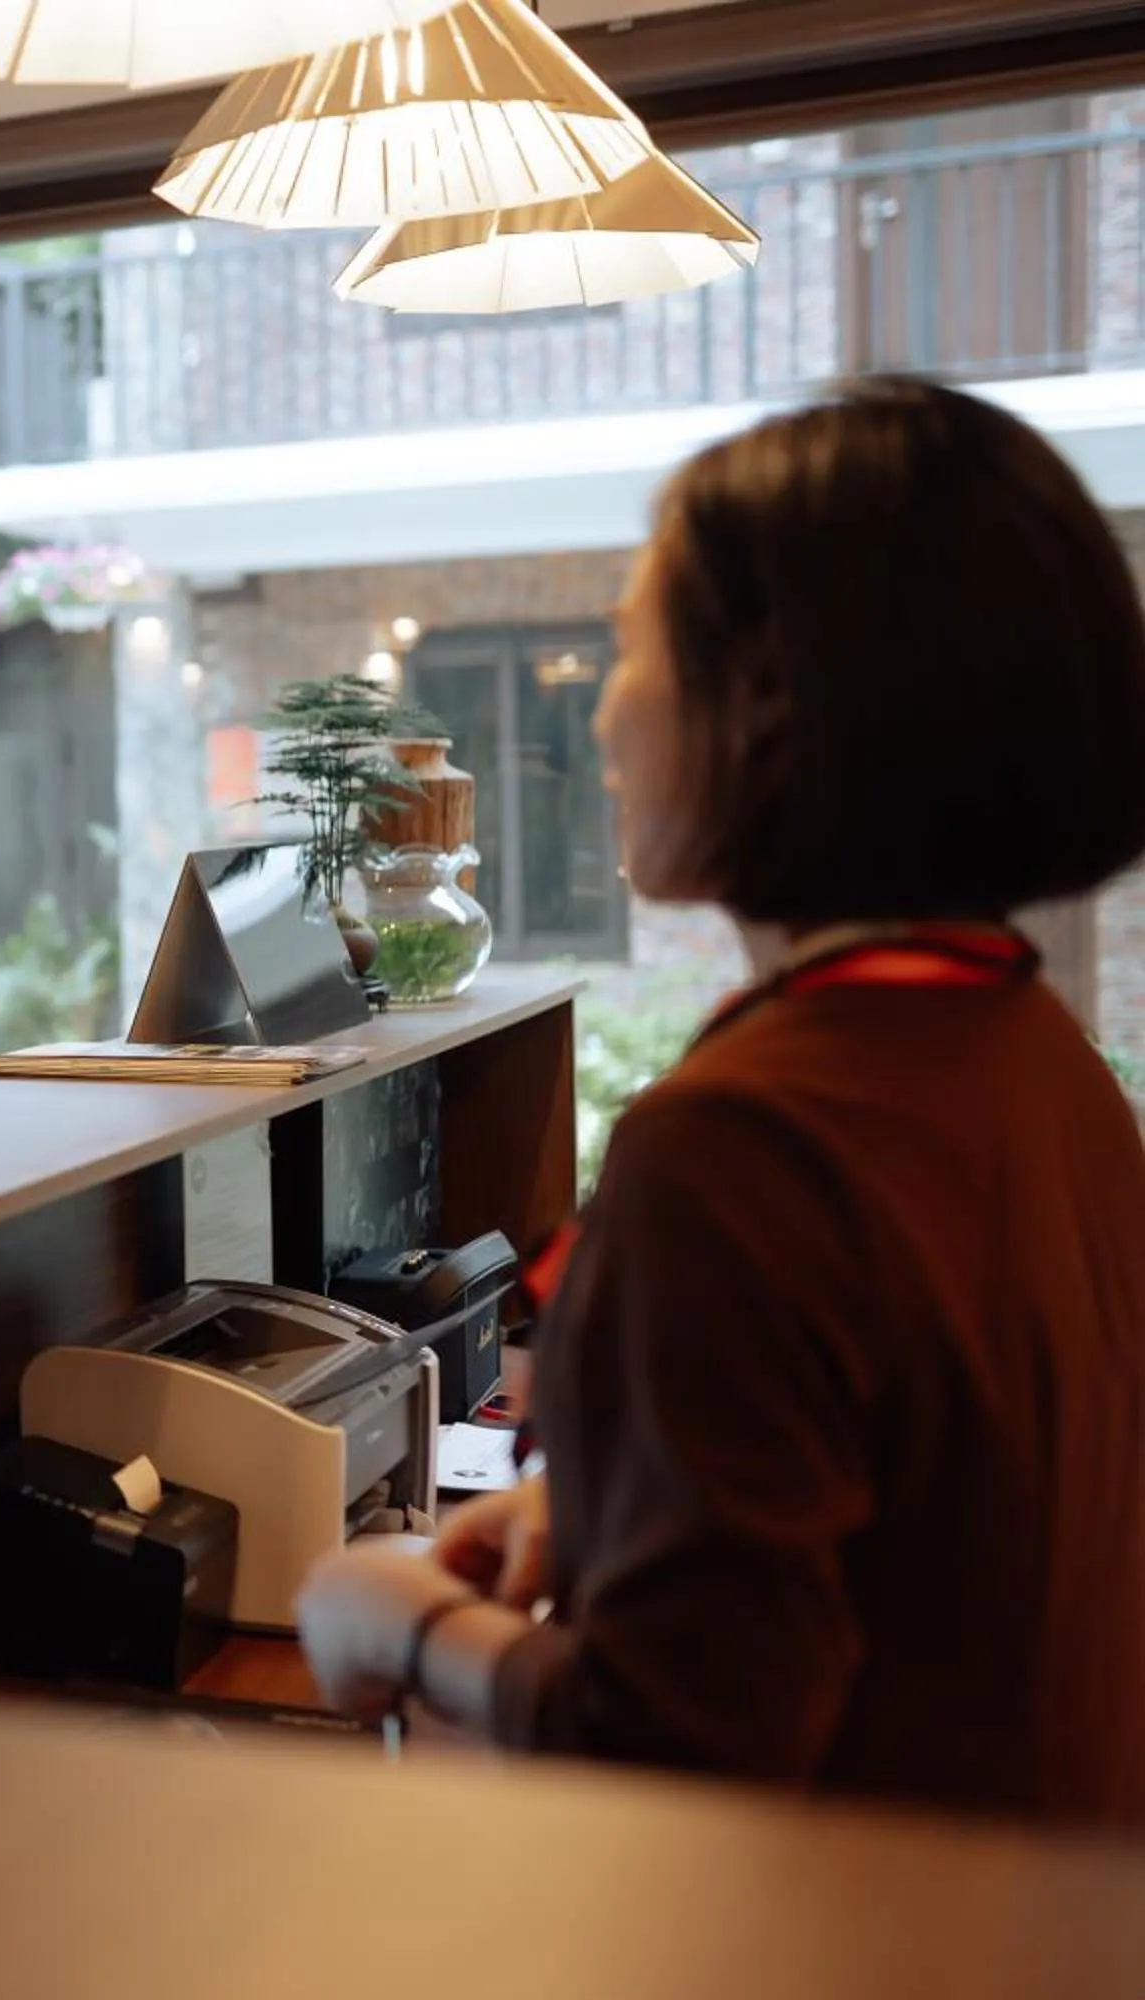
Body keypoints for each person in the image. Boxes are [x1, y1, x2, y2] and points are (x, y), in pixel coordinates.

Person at [295, 377, 1145, 1827]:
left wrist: (403, 1622)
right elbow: (942, 1513)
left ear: (770, 705)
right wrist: (623, 1509)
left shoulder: (743, 1145)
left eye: (633, 646)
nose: (604, 717)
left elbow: (672, 1756)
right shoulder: (1039, 1058)